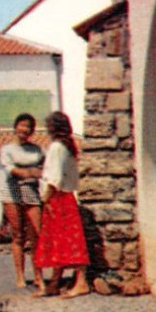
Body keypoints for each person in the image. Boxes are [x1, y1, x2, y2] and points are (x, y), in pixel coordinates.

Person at [35, 111, 91, 298]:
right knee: (63, 239)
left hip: (57, 197)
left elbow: (54, 177)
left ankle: (80, 283)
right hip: (67, 196)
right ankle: (55, 283)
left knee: (65, 239)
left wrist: (46, 199)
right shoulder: (69, 147)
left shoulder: (56, 147)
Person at [0, 113, 45, 290]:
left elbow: (44, 170)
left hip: (31, 191)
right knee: (18, 235)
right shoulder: (6, 149)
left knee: (36, 235)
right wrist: (30, 172)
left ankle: (39, 275)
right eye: (22, 125)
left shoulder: (37, 149)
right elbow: (13, 170)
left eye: (28, 127)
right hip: (12, 191)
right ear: (16, 127)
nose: (24, 129)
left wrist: (31, 173)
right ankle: (20, 276)